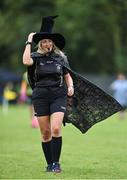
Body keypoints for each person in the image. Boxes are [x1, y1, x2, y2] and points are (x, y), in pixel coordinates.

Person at [23, 16, 74, 173]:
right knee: (45, 134)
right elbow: (25, 62)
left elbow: (67, 75)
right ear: (40, 43)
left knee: (56, 129)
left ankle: (56, 164)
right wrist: (29, 41)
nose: (48, 44)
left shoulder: (60, 58)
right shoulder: (35, 58)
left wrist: (70, 86)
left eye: (50, 41)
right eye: (44, 41)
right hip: (40, 96)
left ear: (53, 43)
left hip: (58, 94)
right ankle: (50, 164)